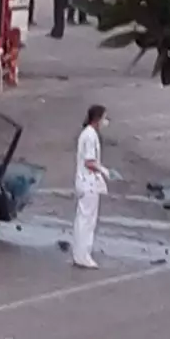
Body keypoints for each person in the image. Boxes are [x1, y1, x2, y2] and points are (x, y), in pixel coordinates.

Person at [72, 104, 121, 269]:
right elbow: (90, 162)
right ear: (97, 119)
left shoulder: (86, 134)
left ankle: (79, 253)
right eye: (104, 118)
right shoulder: (91, 136)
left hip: (83, 182)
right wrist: (106, 172)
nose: (105, 122)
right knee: (87, 221)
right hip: (89, 184)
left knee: (82, 219)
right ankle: (83, 255)